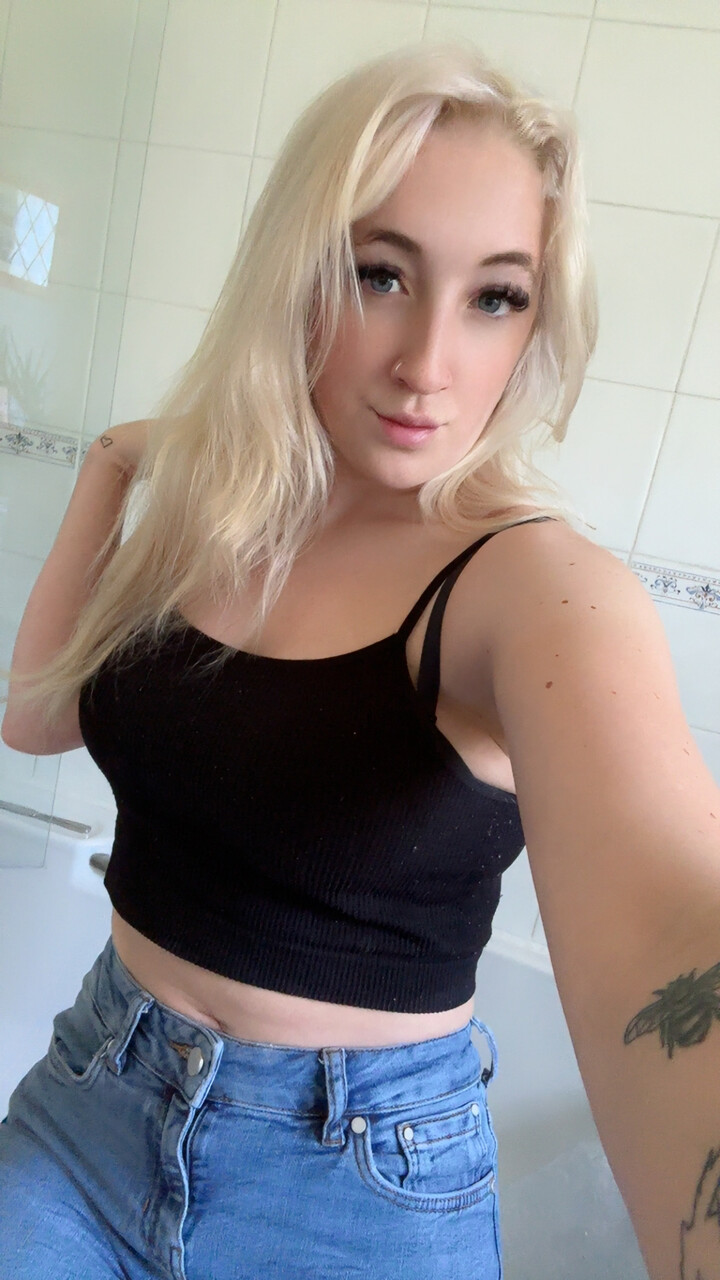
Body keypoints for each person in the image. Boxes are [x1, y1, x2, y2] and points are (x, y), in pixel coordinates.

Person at [1, 39, 718, 1280]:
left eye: (496, 296)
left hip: (359, 1181)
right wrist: (115, 466)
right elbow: (35, 713)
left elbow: (673, 922)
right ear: (296, 274)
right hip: (88, 1103)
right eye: (380, 274)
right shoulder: (226, 518)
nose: (427, 363)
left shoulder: (538, 589)